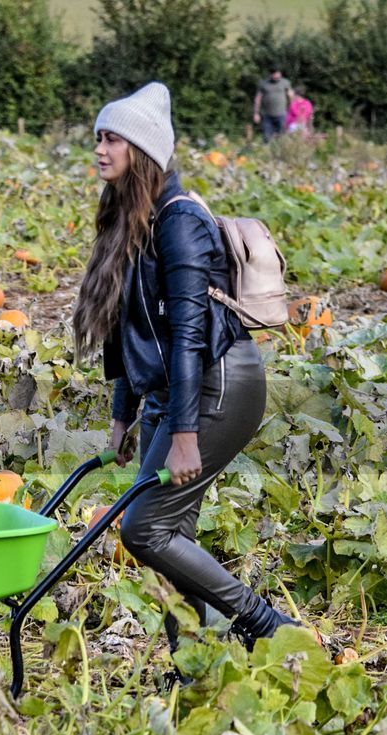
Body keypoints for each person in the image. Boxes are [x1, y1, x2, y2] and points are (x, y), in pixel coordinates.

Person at [75, 82, 313, 669]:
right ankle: (197, 663)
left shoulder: (180, 221)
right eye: (99, 137)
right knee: (168, 537)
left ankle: (262, 622)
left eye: (112, 139)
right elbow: (131, 327)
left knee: (144, 531)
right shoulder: (131, 217)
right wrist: (121, 415)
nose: (100, 149)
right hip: (172, 390)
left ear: (143, 150)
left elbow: (185, 333)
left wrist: (183, 435)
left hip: (218, 384)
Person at [254, 67, 293, 142]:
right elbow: (258, 98)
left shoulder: (285, 83)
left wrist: (291, 110)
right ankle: (266, 152)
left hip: (281, 114)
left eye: (278, 74)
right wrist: (256, 113)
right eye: (275, 74)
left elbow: (290, 96)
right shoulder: (263, 84)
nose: (277, 76)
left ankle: (281, 153)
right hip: (267, 115)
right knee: (266, 137)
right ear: (270, 74)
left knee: (282, 137)